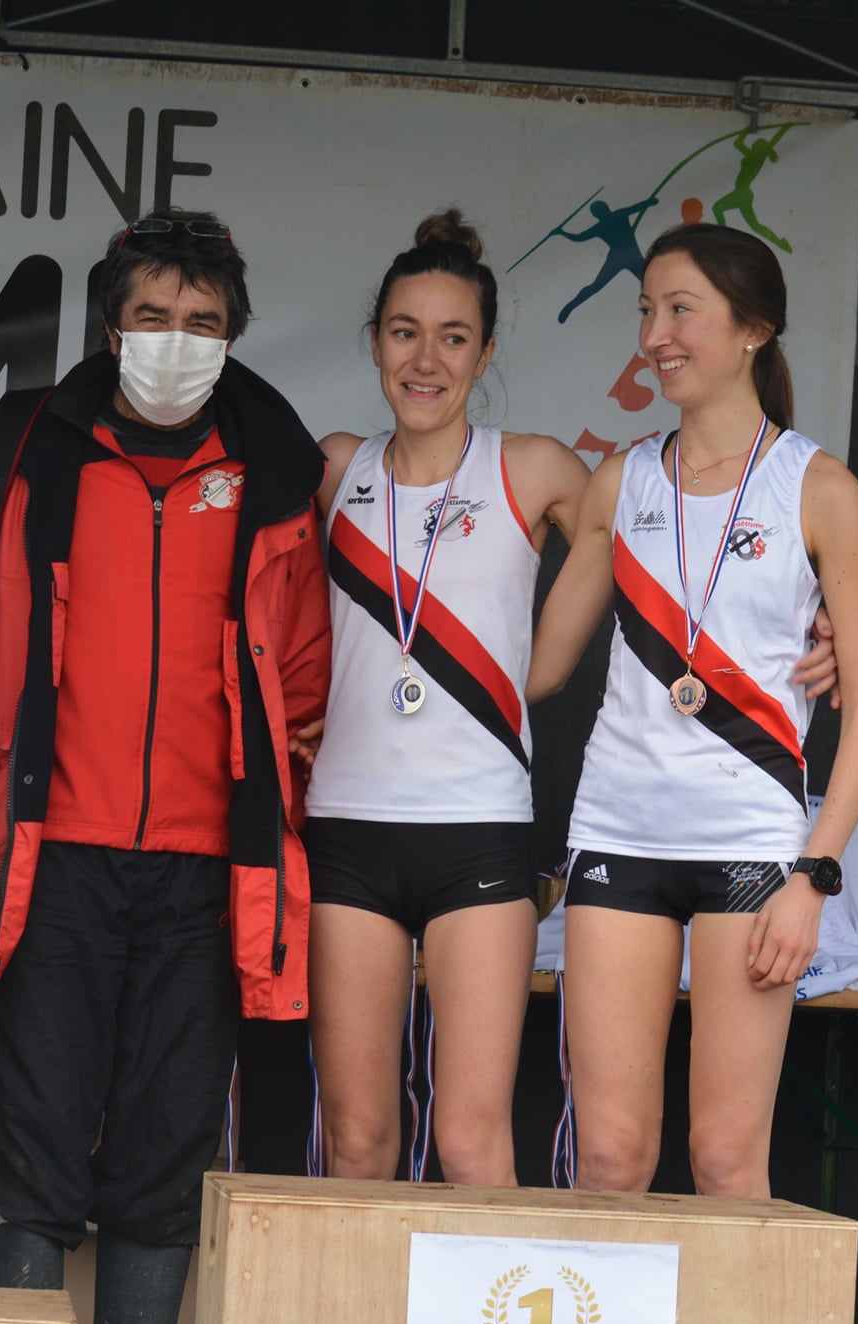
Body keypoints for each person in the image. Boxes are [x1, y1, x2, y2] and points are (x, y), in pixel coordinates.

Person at [0, 209, 330, 1324]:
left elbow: (305, 675)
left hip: (203, 874)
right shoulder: (16, 445)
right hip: (50, 856)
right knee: (30, 1146)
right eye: (153, 318)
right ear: (108, 325)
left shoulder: (273, 466)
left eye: (203, 323)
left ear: (234, 336)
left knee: (167, 1155)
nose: (177, 340)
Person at [528, 222, 858, 1199]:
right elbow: (534, 669)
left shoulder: (817, 488)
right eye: (645, 310)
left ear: (751, 330)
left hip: (751, 850)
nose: (654, 333)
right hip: (617, 836)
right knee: (607, 1160)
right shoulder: (622, 476)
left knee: (726, 1162)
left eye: (679, 308)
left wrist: (812, 876)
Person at [304, 210, 591, 1187]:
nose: (424, 359)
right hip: (344, 826)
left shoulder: (532, 467)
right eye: (402, 332)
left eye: (452, 336)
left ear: (485, 351)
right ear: (375, 340)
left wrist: (810, 626)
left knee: (470, 1144)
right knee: (358, 1143)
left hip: (476, 830)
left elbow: (667, 544)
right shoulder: (334, 468)